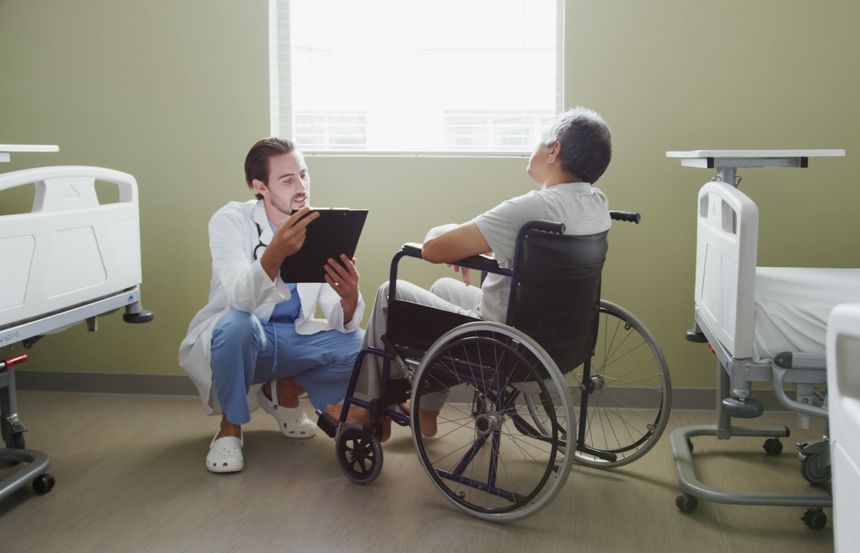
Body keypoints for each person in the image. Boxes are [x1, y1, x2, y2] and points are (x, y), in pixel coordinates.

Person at [324, 107, 612, 440]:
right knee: (444, 288)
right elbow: (535, 257)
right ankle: (424, 410)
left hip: (501, 342)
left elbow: (433, 249)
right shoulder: (596, 204)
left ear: (555, 149)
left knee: (390, 292)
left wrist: (447, 233)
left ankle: (363, 403)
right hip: (555, 339)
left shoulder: (532, 208)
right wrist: (474, 249)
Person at [178, 137, 365, 473]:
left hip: (292, 336)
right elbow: (240, 299)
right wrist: (275, 253)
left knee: (361, 344)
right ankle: (230, 428)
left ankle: (282, 392)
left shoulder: (320, 224)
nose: (302, 186)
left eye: (304, 175)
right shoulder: (230, 221)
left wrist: (349, 297)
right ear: (259, 186)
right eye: (287, 179)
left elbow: (336, 312)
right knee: (237, 324)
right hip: (247, 339)